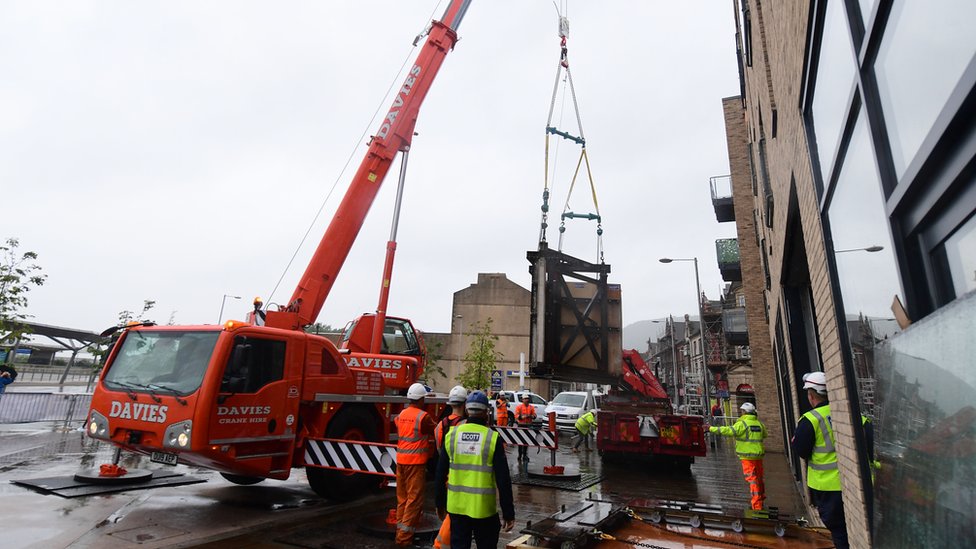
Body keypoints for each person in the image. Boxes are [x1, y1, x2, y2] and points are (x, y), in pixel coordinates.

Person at [791, 371, 871, 549]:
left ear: (812, 396)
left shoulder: (810, 420)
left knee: (839, 531)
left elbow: (801, 450)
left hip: (827, 486)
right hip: (858, 482)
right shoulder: (855, 415)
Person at [435, 391, 515, 549]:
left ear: (466, 410)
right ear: (486, 412)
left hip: (457, 508)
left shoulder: (452, 435)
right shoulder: (492, 438)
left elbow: (440, 472)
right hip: (483, 509)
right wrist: (508, 513)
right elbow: (503, 479)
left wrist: (439, 503)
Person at [395, 382, 437, 548]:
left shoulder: (401, 415)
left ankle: (401, 533)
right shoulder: (423, 417)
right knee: (414, 500)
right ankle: (404, 538)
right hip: (415, 463)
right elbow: (436, 430)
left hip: (401, 461)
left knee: (402, 499)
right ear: (421, 399)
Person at [707, 402, 768, 510]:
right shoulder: (759, 424)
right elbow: (765, 434)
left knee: (752, 480)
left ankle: (757, 506)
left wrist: (711, 428)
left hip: (747, 457)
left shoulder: (742, 424)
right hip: (758, 456)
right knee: (759, 479)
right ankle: (761, 499)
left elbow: (728, 431)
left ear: (744, 412)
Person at [432, 385, 469, 549]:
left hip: (446, 472)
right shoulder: (467, 425)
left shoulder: (439, 426)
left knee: (450, 513)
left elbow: (440, 451)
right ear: (464, 403)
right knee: (456, 516)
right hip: (462, 477)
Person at [514, 393, 537, 462]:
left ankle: (525, 455)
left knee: (526, 442)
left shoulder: (531, 407)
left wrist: (532, 416)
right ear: (522, 400)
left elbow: (534, 415)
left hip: (528, 426)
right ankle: (520, 455)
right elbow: (516, 416)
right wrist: (523, 417)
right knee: (520, 442)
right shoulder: (519, 407)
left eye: (527, 399)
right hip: (521, 425)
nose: (527, 400)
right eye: (525, 399)